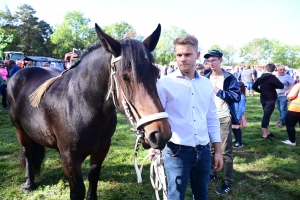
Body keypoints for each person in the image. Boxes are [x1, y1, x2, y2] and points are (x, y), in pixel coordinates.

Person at [156, 35, 223, 200]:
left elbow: (211, 118)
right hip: (176, 150)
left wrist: (218, 151)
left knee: (202, 195)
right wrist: (155, 148)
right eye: (179, 55)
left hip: (203, 148)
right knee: (175, 196)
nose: (183, 59)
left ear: (197, 55)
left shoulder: (206, 84)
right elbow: (158, 119)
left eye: (187, 54)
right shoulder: (165, 83)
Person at [204, 49, 241, 195]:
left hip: (224, 118)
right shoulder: (205, 77)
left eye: (214, 60)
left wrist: (218, 91)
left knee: (225, 152)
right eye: (209, 60)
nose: (211, 63)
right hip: (208, 119)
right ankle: (213, 173)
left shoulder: (229, 78)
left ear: (221, 61)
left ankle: (228, 182)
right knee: (211, 149)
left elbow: (236, 97)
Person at [252, 64, 284, 139]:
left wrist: (261, 91)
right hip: (270, 99)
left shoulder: (261, 77)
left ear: (266, 69)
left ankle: (267, 132)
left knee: (267, 115)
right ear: (274, 69)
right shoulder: (272, 77)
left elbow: (254, 86)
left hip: (263, 98)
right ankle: (264, 134)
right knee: (266, 116)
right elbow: (281, 86)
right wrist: (273, 86)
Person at [232, 82, 247, 147]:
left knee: (237, 128)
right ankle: (236, 139)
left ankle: (240, 143)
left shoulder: (242, 97)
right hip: (234, 115)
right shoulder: (235, 95)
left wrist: (238, 117)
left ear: (241, 88)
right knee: (233, 128)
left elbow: (241, 109)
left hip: (238, 116)